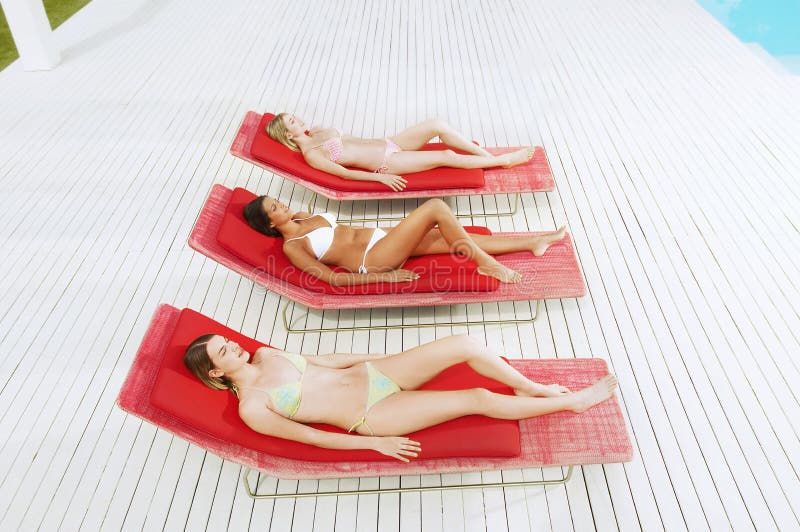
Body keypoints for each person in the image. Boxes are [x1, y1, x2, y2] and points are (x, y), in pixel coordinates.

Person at [184, 334, 619, 461]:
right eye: (225, 351)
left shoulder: (266, 353)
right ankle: (571, 401)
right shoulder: (253, 406)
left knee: (462, 345)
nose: (235, 346)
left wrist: (389, 358)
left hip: (374, 373)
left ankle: (536, 387)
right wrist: (374, 442)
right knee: (478, 396)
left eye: (228, 341)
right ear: (216, 372)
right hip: (373, 412)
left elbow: (327, 359)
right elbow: (312, 439)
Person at [243, 196, 566, 284]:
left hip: (382, 240)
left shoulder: (300, 217)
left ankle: (534, 241)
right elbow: (331, 279)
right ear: (270, 222)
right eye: (276, 207)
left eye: (278, 201)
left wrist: (297, 214)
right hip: (374, 261)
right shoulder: (293, 246)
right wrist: (388, 277)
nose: (282, 205)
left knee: (453, 238)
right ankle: (489, 266)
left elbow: (320, 223)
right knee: (436, 208)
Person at [266, 113, 537, 191]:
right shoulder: (312, 154)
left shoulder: (317, 131)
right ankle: (502, 162)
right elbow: (344, 174)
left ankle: (486, 157)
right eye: (292, 122)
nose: (298, 120)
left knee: (436, 124)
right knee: (446, 157)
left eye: (294, 117)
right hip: (388, 162)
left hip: (390, 142)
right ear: (288, 135)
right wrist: (380, 178)